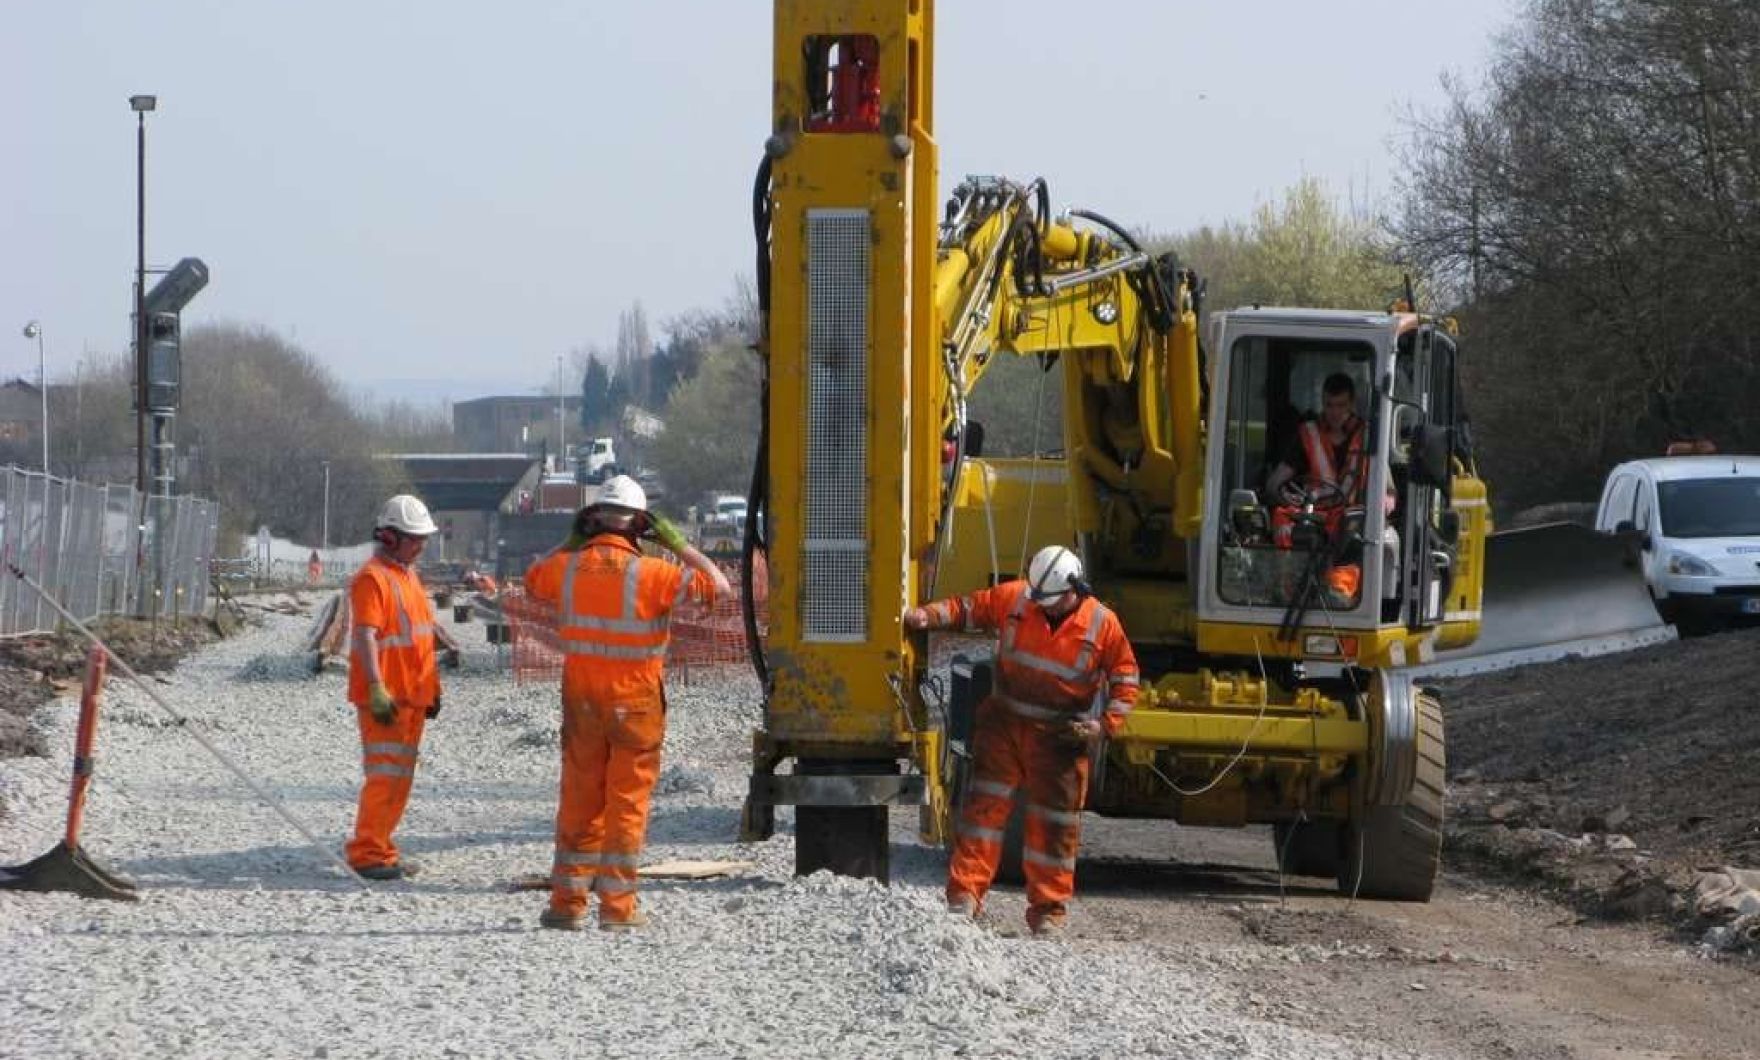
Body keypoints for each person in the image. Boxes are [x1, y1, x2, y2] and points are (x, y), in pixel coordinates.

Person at [523, 474, 732, 931]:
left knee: (579, 800)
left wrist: (570, 539)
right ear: (640, 524)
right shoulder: (655, 574)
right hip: (635, 705)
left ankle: (567, 905)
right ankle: (617, 909)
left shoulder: (568, 568)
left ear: (593, 519)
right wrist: (679, 544)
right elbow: (721, 589)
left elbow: (532, 578)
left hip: (581, 704)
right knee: (626, 804)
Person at [904, 545, 1140, 936]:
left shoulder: (1103, 624)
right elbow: (969, 608)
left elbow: (1126, 676)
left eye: (1050, 602)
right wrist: (925, 616)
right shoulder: (1018, 597)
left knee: (1054, 829)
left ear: (1074, 590)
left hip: (1061, 739)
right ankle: (964, 895)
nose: (1043, 607)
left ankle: (1048, 912)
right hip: (1004, 726)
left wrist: (1105, 725)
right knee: (982, 814)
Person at [345, 494, 443, 880]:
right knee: (385, 777)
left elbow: (421, 638)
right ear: (389, 537)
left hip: (411, 696)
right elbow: (365, 636)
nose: (421, 545)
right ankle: (367, 852)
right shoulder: (372, 579)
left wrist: (433, 687)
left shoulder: (407, 577)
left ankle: (382, 848)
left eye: (423, 538)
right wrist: (375, 686)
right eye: (414, 538)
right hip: (387, 698)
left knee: (399, 780)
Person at [1265, 373, 1371, 602]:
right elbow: (1276, 482)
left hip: (1349, 514)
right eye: (1329, 405)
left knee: (1353, 531)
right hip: (1313, 512)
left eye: (1341, 405)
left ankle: (1339, 592)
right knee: (1282, 518)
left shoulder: (1368, 436)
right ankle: (1288, 590)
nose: (1334, 412)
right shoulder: (1308, 434)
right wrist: (1285, 497)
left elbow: (1388, 489)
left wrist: (1384, 504)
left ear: (1352, 404)